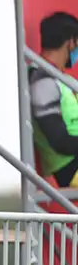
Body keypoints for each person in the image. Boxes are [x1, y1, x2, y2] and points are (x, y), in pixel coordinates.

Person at [30, 11, 78, 186]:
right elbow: (60, 142)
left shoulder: (61, 78)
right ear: (71, 42)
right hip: (71, 168)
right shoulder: (42, 81)